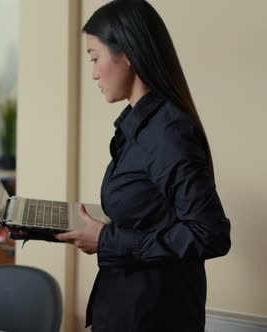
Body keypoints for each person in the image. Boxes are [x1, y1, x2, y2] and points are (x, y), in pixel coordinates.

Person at [53, 1, 231, 331]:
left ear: (129, 54)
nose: (92, 72)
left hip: (152, 316)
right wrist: (101, 232)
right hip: (125, 308)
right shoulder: (138, 129)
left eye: (94, 57)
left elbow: (210, 234)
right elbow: (151, 217)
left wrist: (106, 240)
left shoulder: (168, 134)